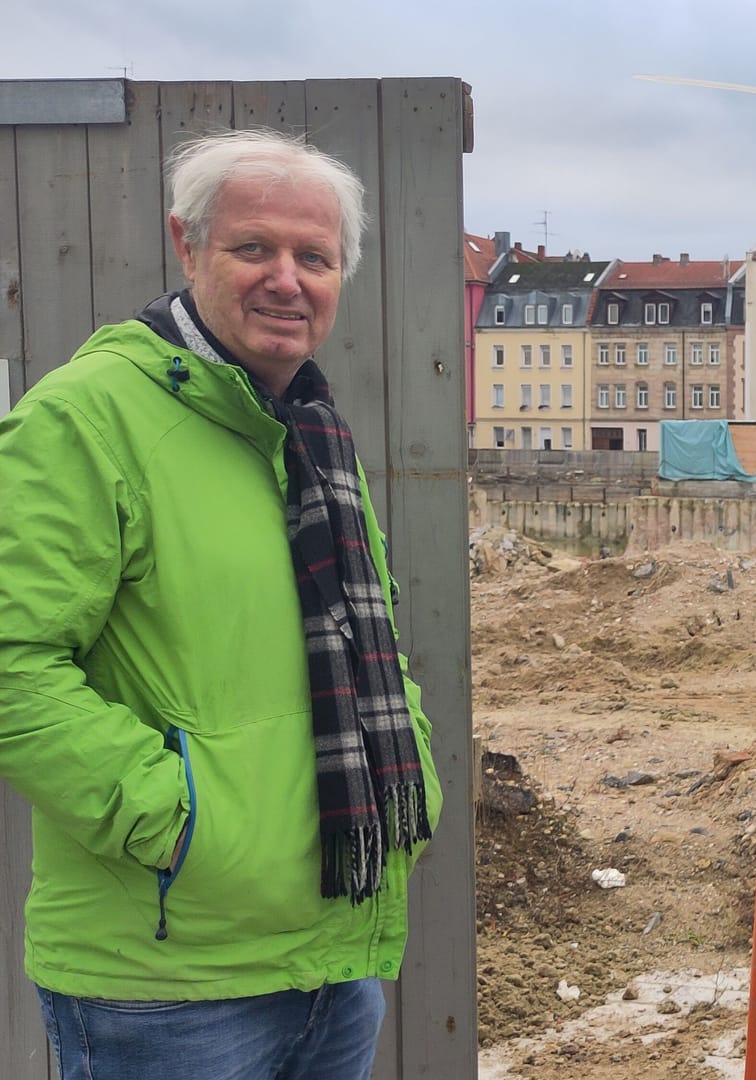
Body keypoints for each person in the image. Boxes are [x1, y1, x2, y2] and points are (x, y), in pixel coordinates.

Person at [0, 129, 442, 1080]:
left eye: (313, 257)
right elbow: (10, 665)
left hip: (332, 957)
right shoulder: (87, 420)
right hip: (165, 988)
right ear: (188, 246)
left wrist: (414, 770)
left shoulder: (312, 436)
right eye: (255, 248)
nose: (287, 279)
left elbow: (372, 648)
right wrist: (180, 821)